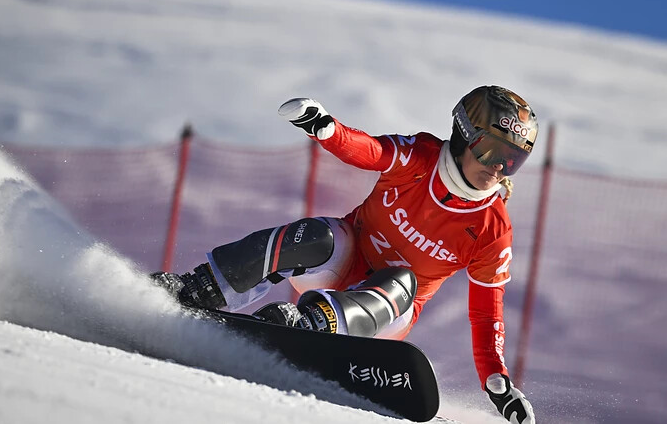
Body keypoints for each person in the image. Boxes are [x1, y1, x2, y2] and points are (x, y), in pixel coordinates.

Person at [153, 85, 536, 424]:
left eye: (512, 160)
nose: (498, 169)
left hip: (388, 310)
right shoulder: (422, 158)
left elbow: (486, 313)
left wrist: (498, 382)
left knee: (402, 278)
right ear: (465, 136)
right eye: (491, 151)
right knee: (317, 234)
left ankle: (310, 330)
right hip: (341, 264)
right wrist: (326, 129)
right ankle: (199, 288)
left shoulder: (492, 229)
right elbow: (372, 152)